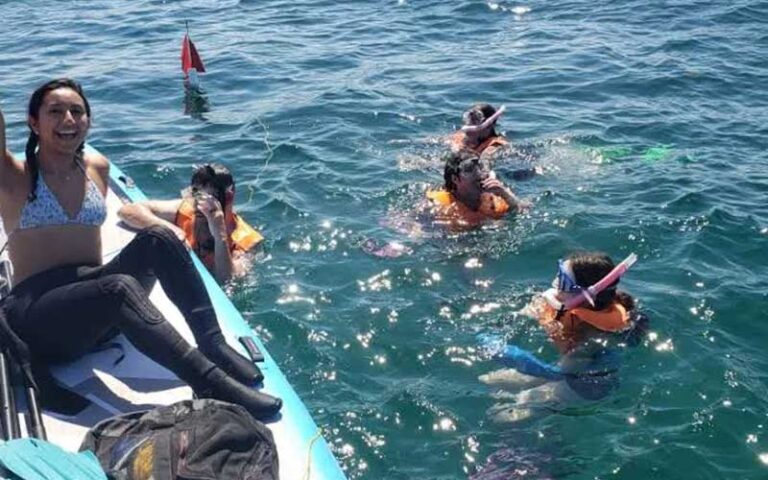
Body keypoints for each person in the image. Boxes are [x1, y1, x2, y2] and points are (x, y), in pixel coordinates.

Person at [0, 78, 281, 419]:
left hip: (91, 303)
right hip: (38, 315)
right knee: (118, 289)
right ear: (33, 122)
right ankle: (210, 383)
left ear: (88, 120)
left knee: (161, 238)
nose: (68, 120)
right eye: (55, 111)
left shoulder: (96, 167)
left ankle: (214, 345)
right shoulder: (14, 175)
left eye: (77, 111)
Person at [118, 163, 263, 283]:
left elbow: (227, 280)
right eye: (195, 195)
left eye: (206, 199)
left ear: (229, 198)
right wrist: (171, 230)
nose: (198, 205)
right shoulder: (186, 209)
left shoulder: (247, 240)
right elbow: (127, 211)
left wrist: (220, 236)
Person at [426, 151, 529, 229]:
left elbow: (525, 211)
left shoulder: (496, 196)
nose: (479, 173)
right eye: (469, 169)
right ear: (455, 179)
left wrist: (506, 195)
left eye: (480, 166)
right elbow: (415, 225)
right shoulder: (438, 204)